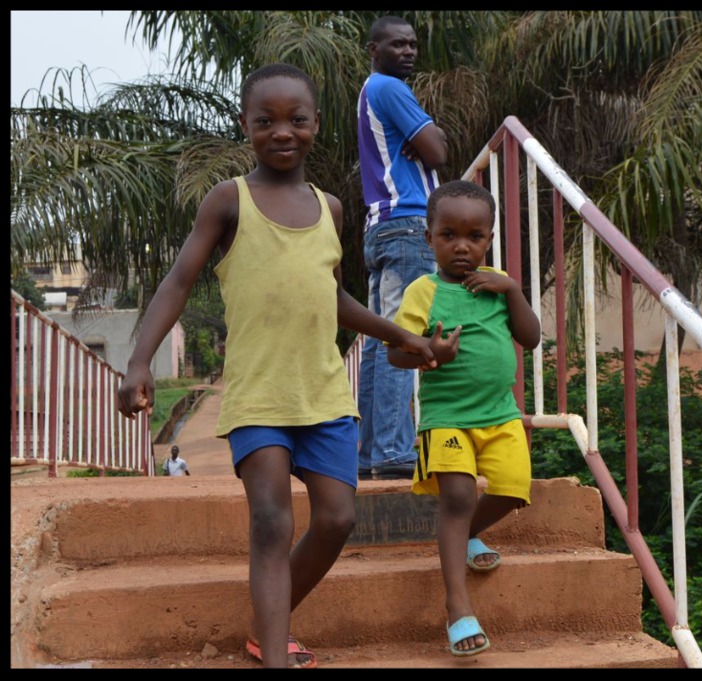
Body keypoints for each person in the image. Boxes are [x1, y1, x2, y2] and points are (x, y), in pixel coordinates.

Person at [116, 63, 441, 669]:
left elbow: (335, 298)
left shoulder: (331, 209)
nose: (282, 132)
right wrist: (139, 362)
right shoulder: (228, 201)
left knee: (338, 519)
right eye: (266, 121)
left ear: (316, 124)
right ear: (246, 125)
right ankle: (273, 652)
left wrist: (401, 334)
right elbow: (180, 281)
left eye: (297, 119)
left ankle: (268, 622)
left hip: (321, 393)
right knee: (270, 518)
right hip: (260, 394)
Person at [387, 180, 541, 657]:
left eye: (474, 236)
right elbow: (396, 354)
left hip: (500, 415)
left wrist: (512, 288)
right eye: (448, 235)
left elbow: (531, 337)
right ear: (428, 238)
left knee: (515, 490)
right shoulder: (422, 290)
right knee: (456, 495)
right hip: (446, 416)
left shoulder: (497, 285)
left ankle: (471, 532)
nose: (462, 246)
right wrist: (430, 353)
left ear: (489, 239)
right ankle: (458, 608)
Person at [356, 15, 448, 481]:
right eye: (397, 44)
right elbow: (438, 150)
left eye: (413, 45)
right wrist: (430, 136)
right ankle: (393, 451)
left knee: (378, 342)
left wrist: (425, 141)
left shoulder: (371, 91)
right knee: (398, 338)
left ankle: (373, 451)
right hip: (408, 222)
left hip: (383, 225)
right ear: (374, 48)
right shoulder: (389, 88)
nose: (408, 52)